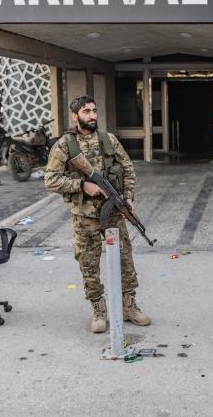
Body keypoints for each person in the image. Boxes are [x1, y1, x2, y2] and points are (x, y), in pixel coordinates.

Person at [45, 95, 151, 333]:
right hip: (84, 217)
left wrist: (129, 197)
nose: (92, 115)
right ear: (75, 116)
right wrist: (82, 186)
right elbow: (50, 180)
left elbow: (127, 168)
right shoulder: (64, 145)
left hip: (113, 213)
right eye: (86, 112)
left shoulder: (108, 139)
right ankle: (98, 309)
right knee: (89, 264)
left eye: (94, 110)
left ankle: (129, 306)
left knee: (125, 260)